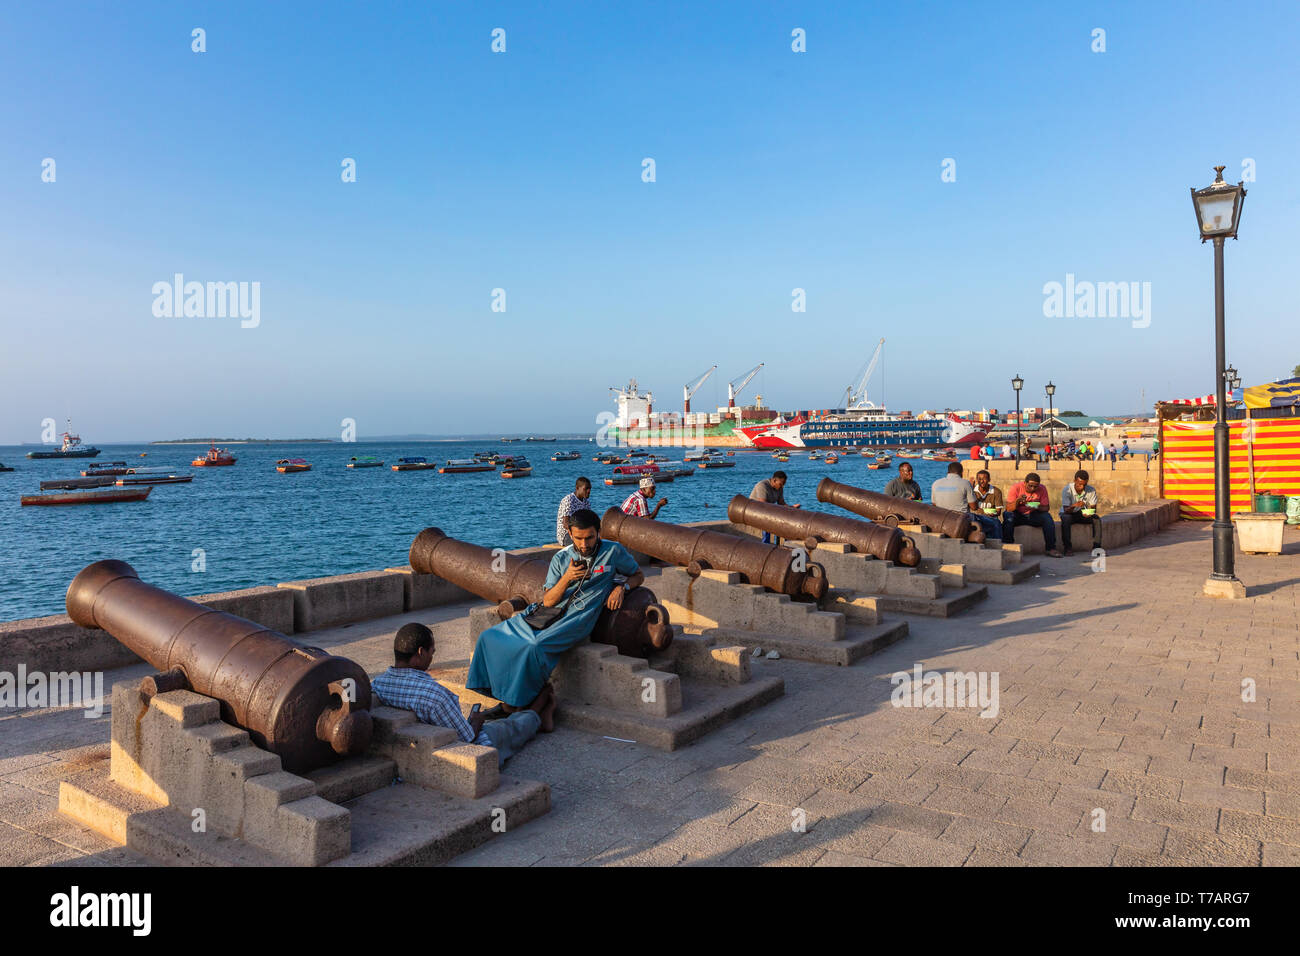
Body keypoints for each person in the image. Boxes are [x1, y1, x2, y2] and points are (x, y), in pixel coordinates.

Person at [467, 508, 644, 712]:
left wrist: (622, 587)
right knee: (489, 637)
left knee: (534, 646)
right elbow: (549, 601)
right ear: (570, 534)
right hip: (545, 612)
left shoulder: (613, 551)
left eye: (590, 538)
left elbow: (638, 575)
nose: (584, 544)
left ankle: (518, 704)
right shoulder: (561, 559)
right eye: (578, 538)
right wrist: (567, 577)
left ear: (599, 533)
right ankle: (503, 698)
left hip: (577, 618)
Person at [372, 622, 552, 766]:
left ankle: (524, 710)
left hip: (429, 742)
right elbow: (468, 738)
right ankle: (540, 710)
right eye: (431, 652)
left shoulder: (379, 685)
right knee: (511, 727)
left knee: (504, 721)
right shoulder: (434, 695)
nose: (432, 657)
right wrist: (477, 721)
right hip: (469, 747)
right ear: (420, 652)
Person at [1003, 471, 1061, 556]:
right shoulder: (1016, 488)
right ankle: (1008, 546)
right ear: (1025, 483)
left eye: (1035, 487)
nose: (1033, 489)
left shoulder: (1042, 488)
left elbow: (1046, 508)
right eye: (1030, 486)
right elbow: (1008, 509)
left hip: (1033, 514)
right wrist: (1017, 501)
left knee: (1047, 518)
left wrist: (1036, 506)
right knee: (1008, 516)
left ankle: (1050, 548)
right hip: (1018, 514)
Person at [1059, 469, 1101, 556]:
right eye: (1079, 484)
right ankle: (1067, 548)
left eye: (1084, 485)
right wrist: (1075, 505)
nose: (1082, 487)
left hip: (1081, 513)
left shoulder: (1091, 490)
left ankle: (1097, 547)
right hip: (1068, 513)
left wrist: (1089, 512)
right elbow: (1066, 510)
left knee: (1096, 519)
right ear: (1074, 481)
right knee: (1066, 519)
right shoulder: (1067, 489)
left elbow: (1094, 509)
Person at [751, 470, 800, 543]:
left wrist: (791, 508)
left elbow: (781, 503)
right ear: (774, 480)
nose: (782, 486)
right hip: (755, 510)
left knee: (785, 519)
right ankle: (765, 544)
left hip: (768, 510)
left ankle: (786, 543)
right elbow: (763, 505)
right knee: (767, 520)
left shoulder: (780, 488)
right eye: (781, 484)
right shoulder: (762, 486)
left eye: (783, 484)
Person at [555, 477, 592, 547]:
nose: (589, 491)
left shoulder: (586, 503)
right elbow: (566, 524)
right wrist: (579, 532)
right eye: (586, 488)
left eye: (590, 488)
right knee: (583, 544)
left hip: (582, 533)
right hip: (567, 535)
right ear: (577, 488)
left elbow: (589, 520)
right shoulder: (569, 500)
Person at [968, 469, 1004, 540]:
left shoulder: (996, 491)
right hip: (976, 517)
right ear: (977, 480)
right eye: (980, 479)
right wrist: (971, 489)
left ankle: (999, 543)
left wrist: (994, 513)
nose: (982, 481)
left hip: (990, 518)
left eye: (984, 479)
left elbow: (998, 511)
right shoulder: (972, 491)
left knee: (997, 523)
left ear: (989, 479)